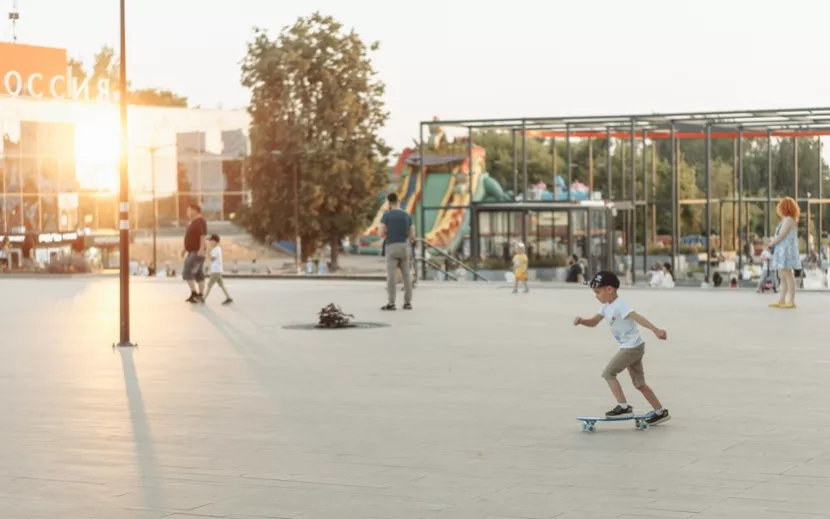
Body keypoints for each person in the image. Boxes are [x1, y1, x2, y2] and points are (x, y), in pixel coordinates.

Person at [573, 271, 671, 426]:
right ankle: (660, 412)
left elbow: (637, 317)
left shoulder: (621, 304)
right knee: (639, 384)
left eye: (598, 292)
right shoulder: (605, 307)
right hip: (634, 346)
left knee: (609, 373)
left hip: (631, 348)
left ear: (609, 289)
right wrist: (581, 321)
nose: (596, 296)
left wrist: (655, 330)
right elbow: (593, 322)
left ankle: (624, 407)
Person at [379, 193, 414, 310]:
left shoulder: (386, 216)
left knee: (391, 276)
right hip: (404, 246)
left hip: (391, 246)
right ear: (398, 201)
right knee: (406, 275)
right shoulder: (407, 215)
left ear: (388, 202)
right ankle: (407, 302)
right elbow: (412, 234)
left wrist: (387, 232)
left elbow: (380, 232)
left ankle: (391, 302)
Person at [766, 197, 802, 309]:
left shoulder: (789, 220)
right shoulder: (786, 220)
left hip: (786, 252)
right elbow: (781, 235)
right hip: (782, 251)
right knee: (782, 276)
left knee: (787, 275)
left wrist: (771, 243)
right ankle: (782, 300)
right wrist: (773, 241)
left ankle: (791, 301)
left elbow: (781, 235)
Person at [182, 204, 208, 303]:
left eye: (189, 210)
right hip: (195, 251)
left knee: (187, 272)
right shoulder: (196, 222)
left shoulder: (198, 222)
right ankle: (200, 295)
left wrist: (201, 249)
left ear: (194, 211)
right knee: (199, 274)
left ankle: (194, 293)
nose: (187, 213)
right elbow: (192, 238)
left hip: (196, 252)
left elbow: (202, 236)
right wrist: (184, 249)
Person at [204, 234, 233, 305]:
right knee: (221, 285)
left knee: (209, 285)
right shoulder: (217, 249)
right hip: (217, 270)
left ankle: (203, 298)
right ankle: (228, 297)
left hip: (216, 271)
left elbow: (212, 259)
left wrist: (208, 252)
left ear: (215, 242)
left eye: (211, 241)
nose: (210, 242)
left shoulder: (215, 250)